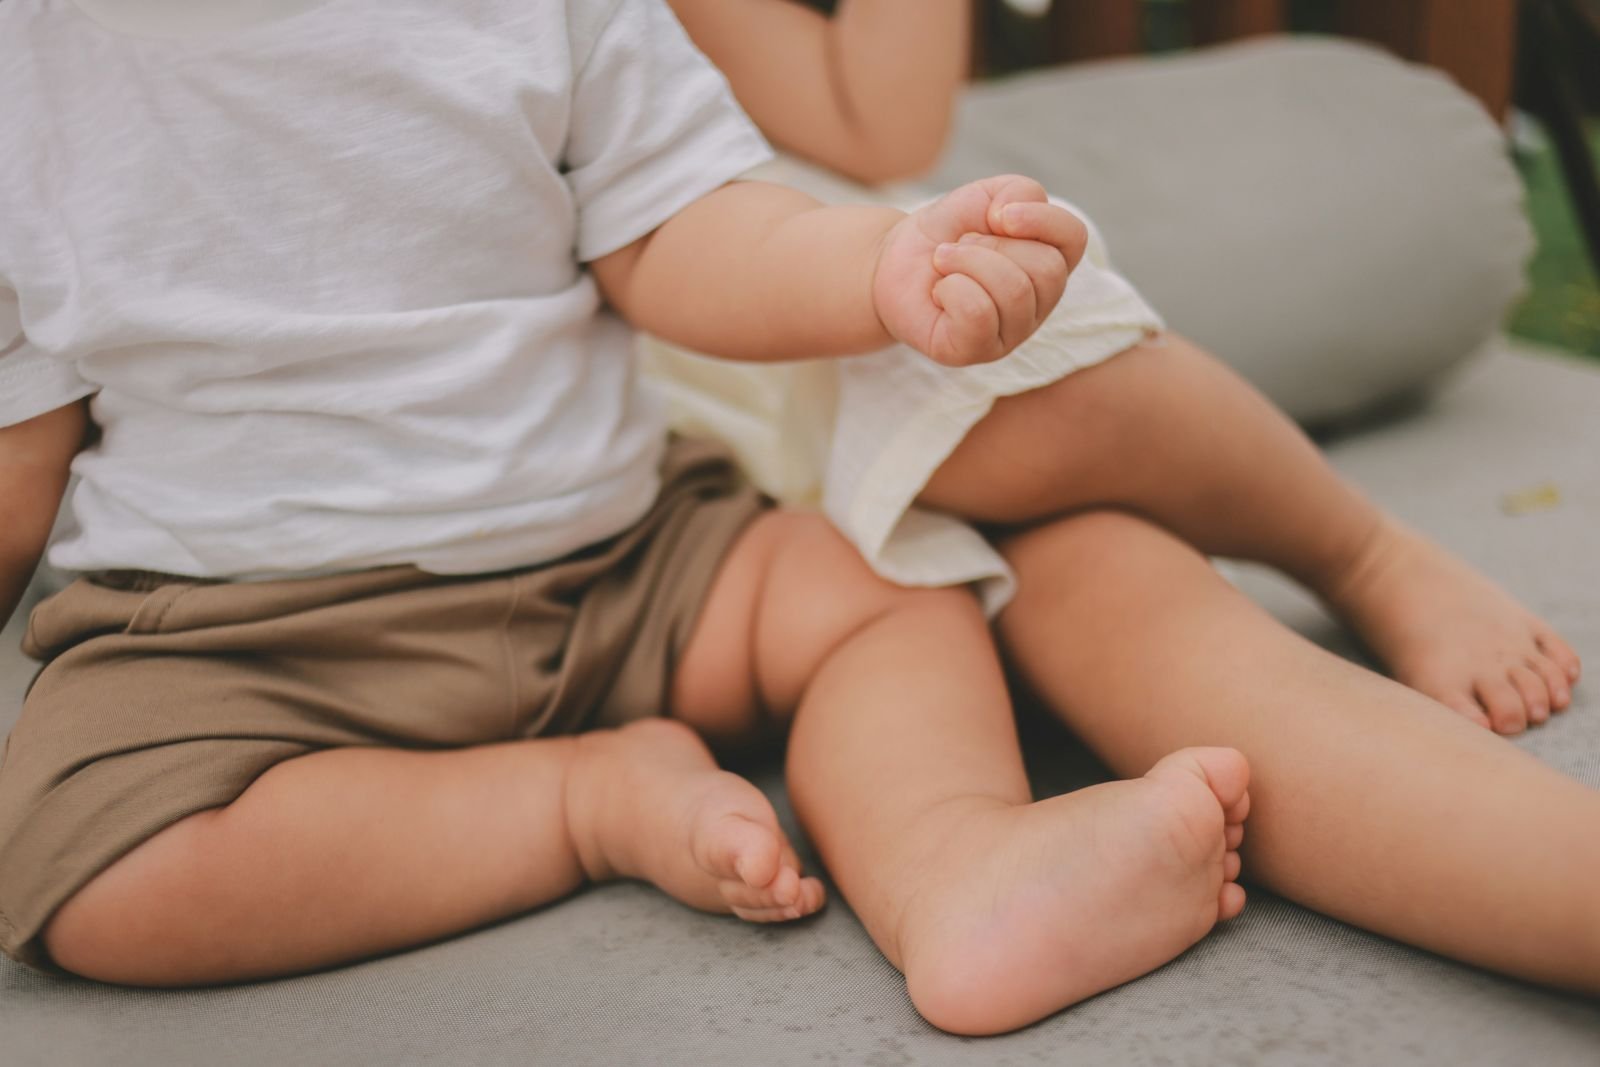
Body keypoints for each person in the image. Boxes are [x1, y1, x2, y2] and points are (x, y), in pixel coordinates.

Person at [0, 0, 1253, 1038]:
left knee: (879, 591)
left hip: (626, 559)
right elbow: (21, 453)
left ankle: (953, 861)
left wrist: (873, 269)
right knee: (93, 875)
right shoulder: (28, 68)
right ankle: (581, 800)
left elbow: (679, 231)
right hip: (249, 636)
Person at [654, 0, 1600, 1000]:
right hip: (711, 481)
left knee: (991, 428)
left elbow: (878, 124)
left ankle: (1357, 548)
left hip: (825, 310)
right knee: (1090, 586)